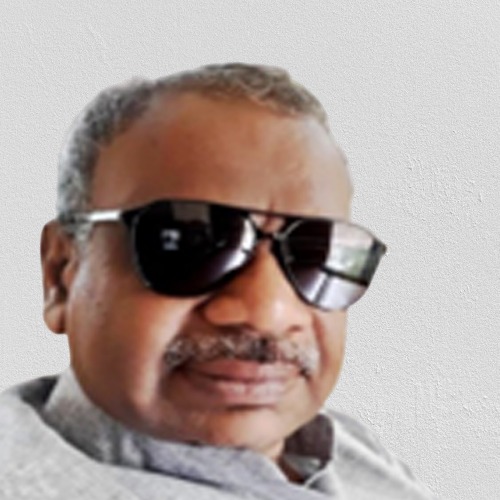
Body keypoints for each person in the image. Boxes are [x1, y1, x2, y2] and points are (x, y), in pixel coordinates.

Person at [0, 63, 434, 499]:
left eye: (317, 253)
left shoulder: (356, 454)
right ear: (61, 273)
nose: (270, 311)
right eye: (191, 244)